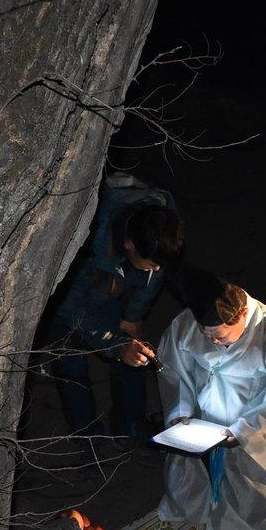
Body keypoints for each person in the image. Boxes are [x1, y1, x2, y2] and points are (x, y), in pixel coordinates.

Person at [121, 268, 266, 530]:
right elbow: (175, 373)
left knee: (252, 492)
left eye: (221, 336)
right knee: (187, 479)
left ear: (243, 314)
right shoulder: (186, 325)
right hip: (201, 420)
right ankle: (196, 505)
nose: (212, 340)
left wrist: (242, 433)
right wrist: (180, 414)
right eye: (206, 333)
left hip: (250, 425)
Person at [44, 172, 184, 442]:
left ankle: (129, 429)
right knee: (70, 359)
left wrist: (132, 317)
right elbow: (70, 305)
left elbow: (153, 278)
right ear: (129, 243)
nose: (157, 270)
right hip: (75, 294)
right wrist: (115, 345)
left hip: (114, 278)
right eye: (152, 263)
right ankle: (87, 438)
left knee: (133, 353)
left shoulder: (163, 222)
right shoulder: (87, 235)